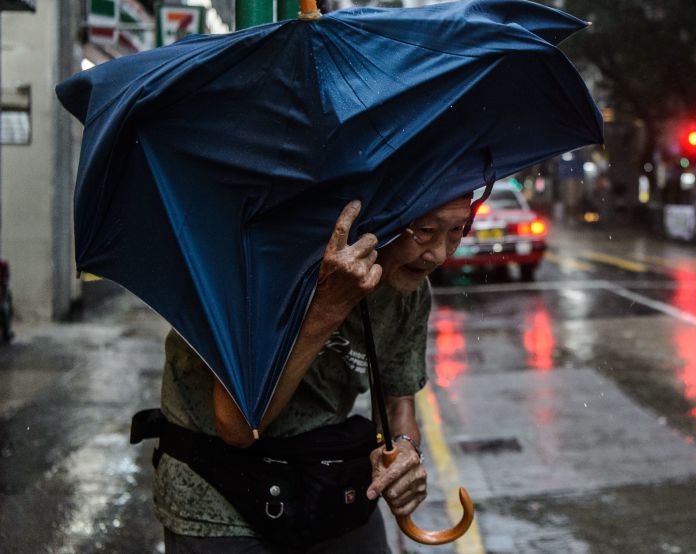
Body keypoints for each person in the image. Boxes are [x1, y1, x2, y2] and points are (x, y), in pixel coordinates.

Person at [154, 194, 474, 553]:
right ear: (379, 218)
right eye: (426, 231)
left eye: (458, 230)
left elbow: (398, 399)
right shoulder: (264, 265)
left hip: (322, 479)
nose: (440, 255)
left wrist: (403, 449)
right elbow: (238, 427)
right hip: (214, 494)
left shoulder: (408, 294)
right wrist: (328, 306)